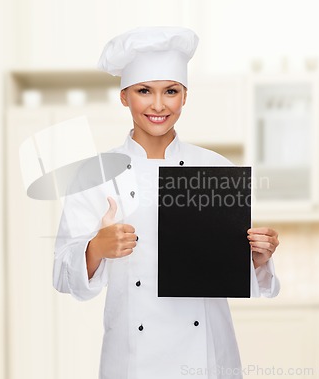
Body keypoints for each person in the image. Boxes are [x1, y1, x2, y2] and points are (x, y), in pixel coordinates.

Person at [53, 26, 280, 379]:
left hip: (206, 356)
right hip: (132, 361)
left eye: (170, 91)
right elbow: (63, 277)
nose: (158, 105)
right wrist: (96, 247)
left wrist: (257, 258)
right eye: (145, 91)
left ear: (184, 97)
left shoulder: (216, 168)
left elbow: (233, 275)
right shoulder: (94, 173)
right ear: (124, 96)